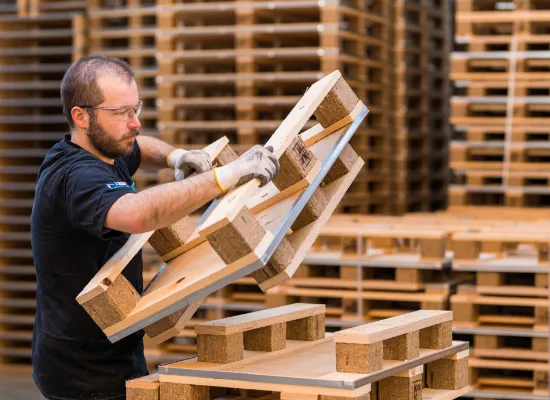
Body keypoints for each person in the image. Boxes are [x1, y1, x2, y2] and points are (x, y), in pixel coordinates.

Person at [30, 55, 279, 400]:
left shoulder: (106, 149)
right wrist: (227, 176)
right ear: (81, 116)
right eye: (121, 113)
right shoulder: (76, 177)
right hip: (83, 373)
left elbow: (140, 148)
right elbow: (136, 214)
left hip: (114, 348)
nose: (134, 123)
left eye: (136, 109)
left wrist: (175, 156)